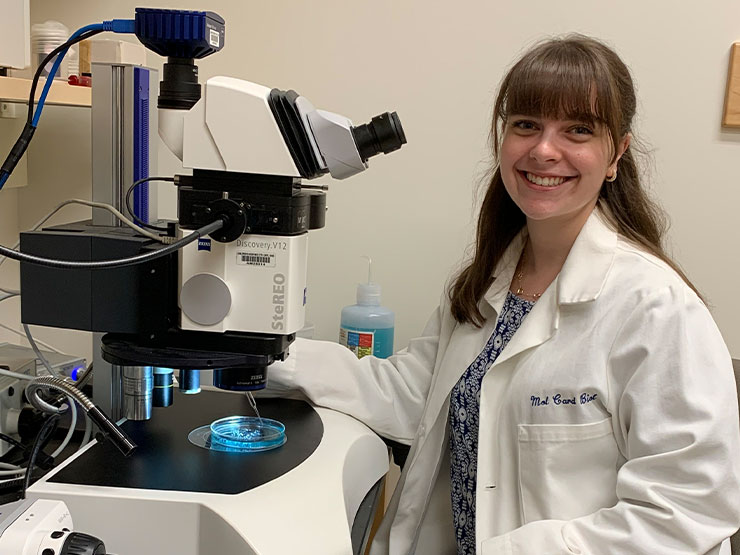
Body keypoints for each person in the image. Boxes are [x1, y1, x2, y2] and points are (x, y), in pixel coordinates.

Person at [266, 34, 740, 554]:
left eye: (578, 130)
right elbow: (414, 394)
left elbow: (688, 508)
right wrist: (260, 354)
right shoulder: (486, 283)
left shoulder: (656, 308)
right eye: (526, 125)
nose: (543, 149)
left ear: (616, 154)